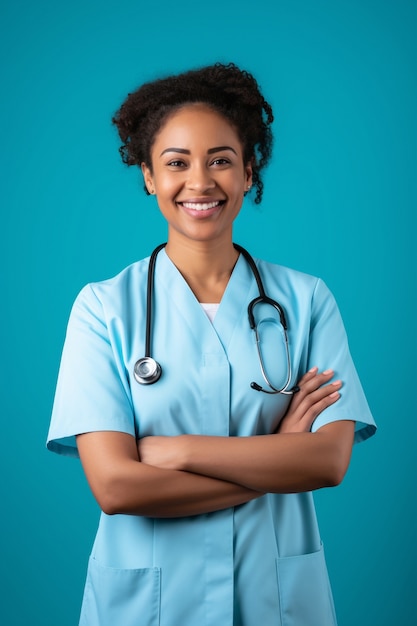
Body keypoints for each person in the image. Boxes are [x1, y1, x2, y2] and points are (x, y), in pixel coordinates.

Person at [47, 62, 376, 626]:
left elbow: (326, 459)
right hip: (147, 607)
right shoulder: (102, 308)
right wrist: (274, 457)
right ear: (149, 175)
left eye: (221, 160)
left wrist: (178, 452)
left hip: (273, 599)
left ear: (249, 171)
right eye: (176, 163)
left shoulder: (306, 301)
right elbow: (117, 486)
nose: (200, 182)